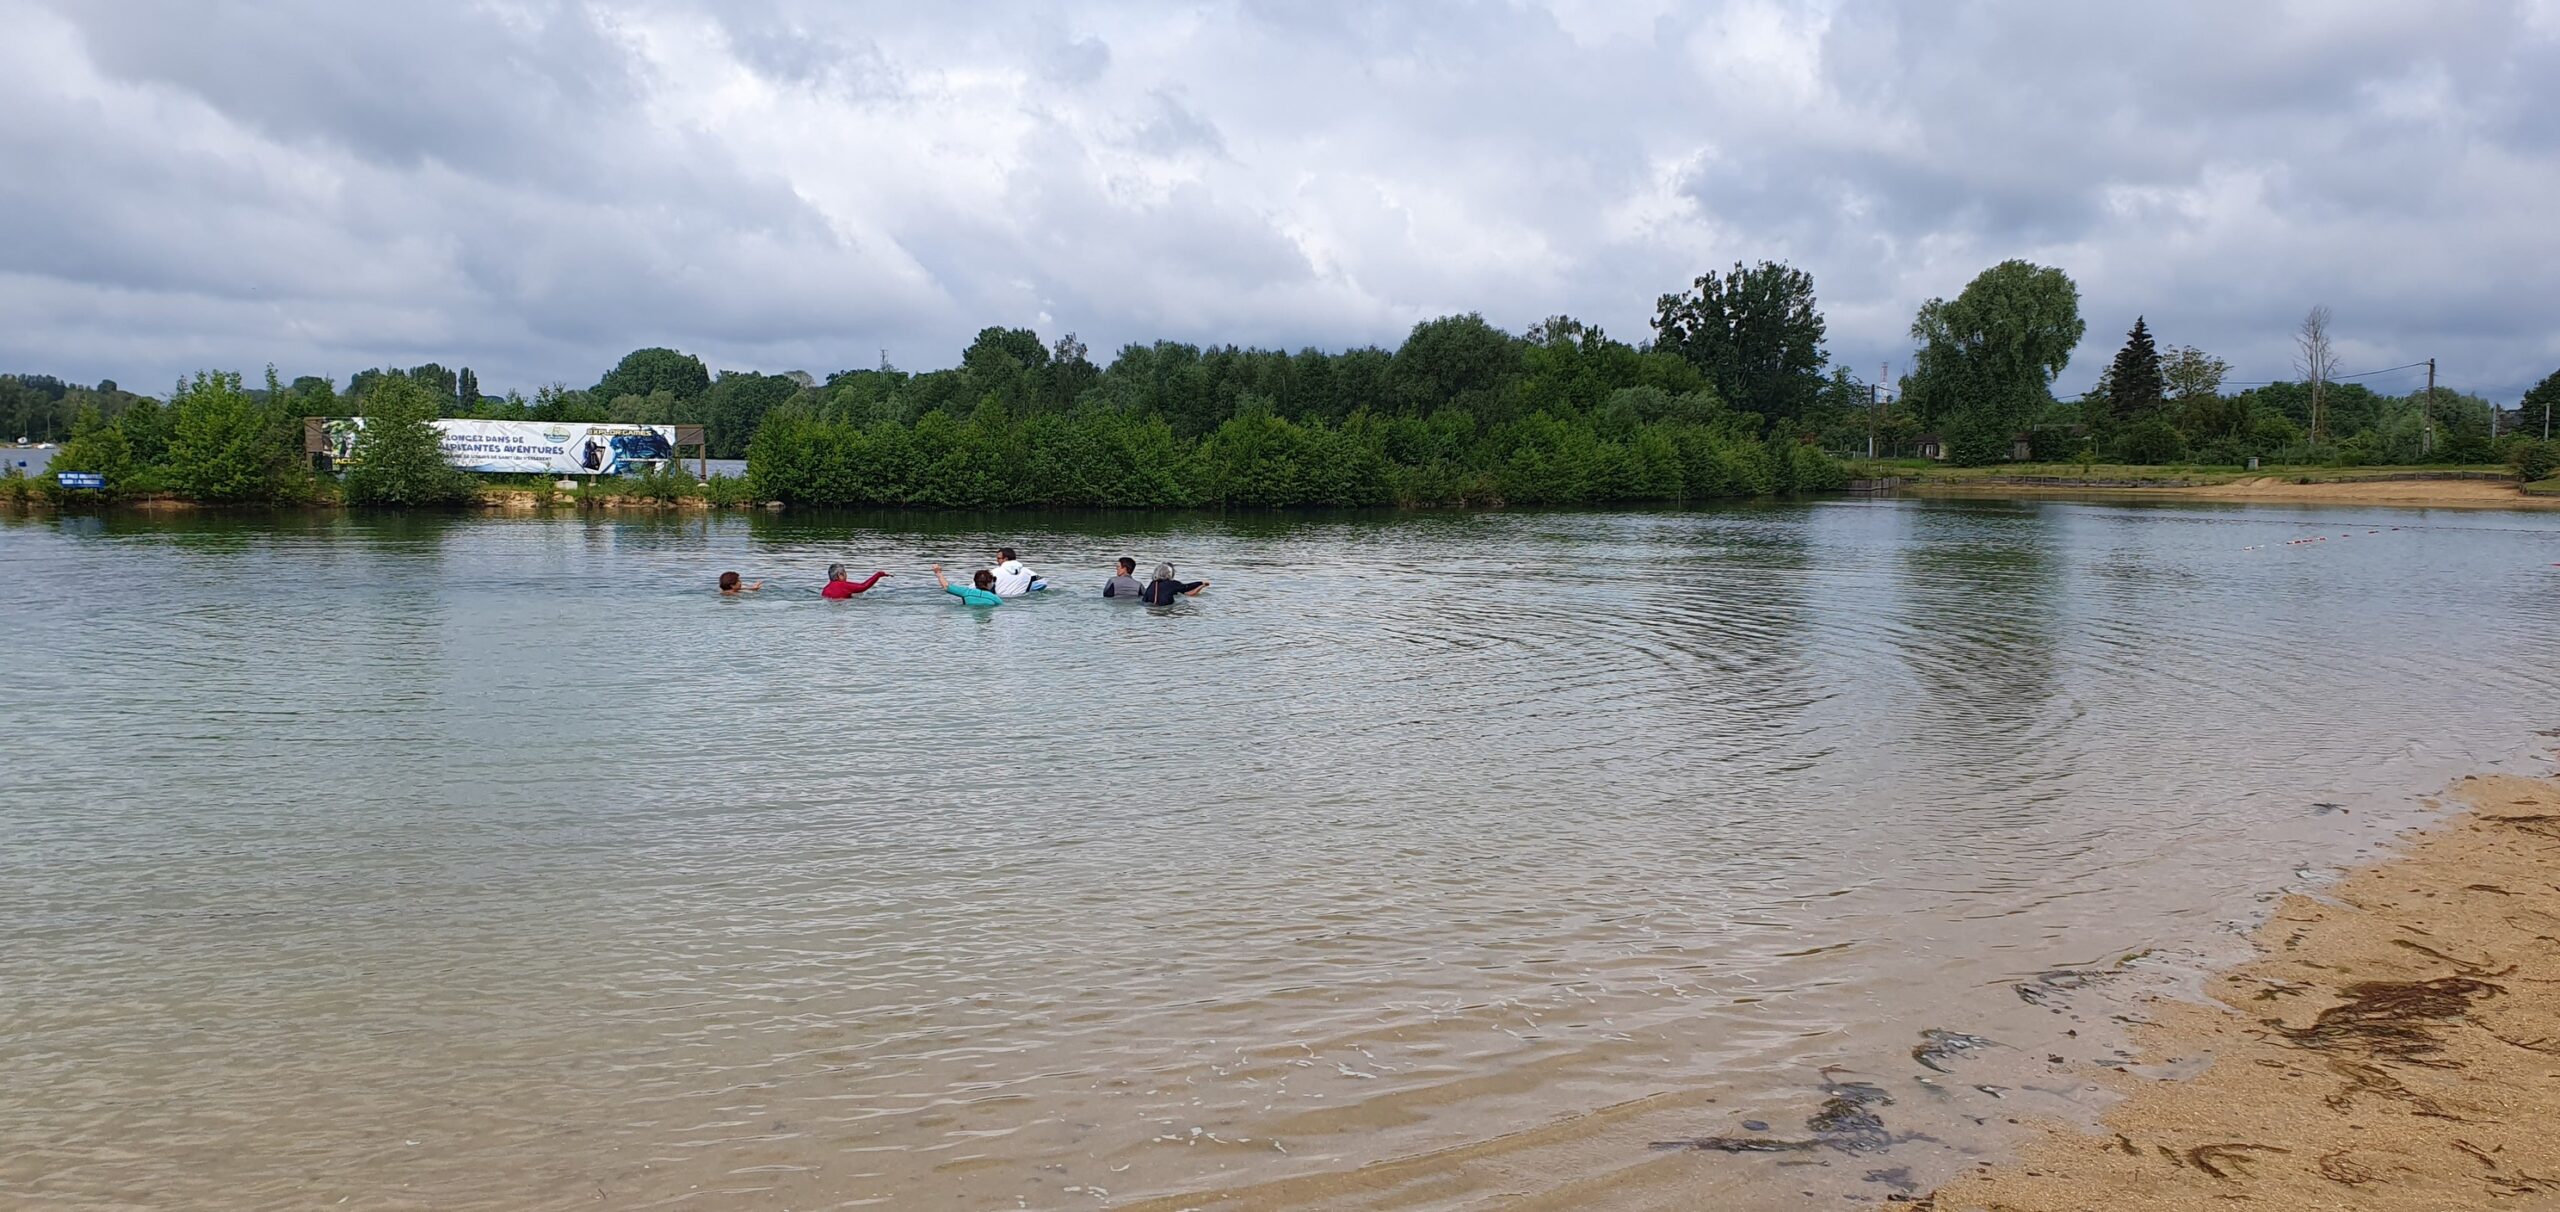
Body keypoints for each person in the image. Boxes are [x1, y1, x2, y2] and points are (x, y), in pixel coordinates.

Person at [933, 564, 1003, 607]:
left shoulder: (966, 592)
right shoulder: (995, 598)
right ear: (989, 583)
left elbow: (946, 586)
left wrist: (938, 572)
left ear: (975, 581)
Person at [1139, 562, 1208, 605]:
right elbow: (1187, 587)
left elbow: (1144, 600)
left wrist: (1201, 586)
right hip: (1165, 609)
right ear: (1169, 573)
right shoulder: (1172, 584)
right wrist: (1201, 582)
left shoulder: (1152, 583)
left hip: (1150, 610)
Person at [821, 562, 889, 599]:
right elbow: (864, 586)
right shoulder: (844, 585)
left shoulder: (825, 589)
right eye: (845, 573)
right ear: (840, 575)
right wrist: (879, 574)